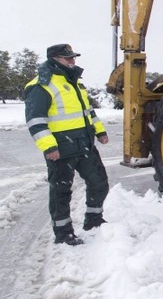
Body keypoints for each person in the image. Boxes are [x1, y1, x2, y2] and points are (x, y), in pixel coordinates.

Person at [24, 44, 110, 246]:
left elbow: (88, 112)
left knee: (99, 183)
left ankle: (94, 221)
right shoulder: (41, 85)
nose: (72, 61)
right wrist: (49, 147)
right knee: (61, 192)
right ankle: (63, 233)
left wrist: (100, 131)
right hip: (61, 149)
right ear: (54, 58)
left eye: (73, 57)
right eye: (67, 58)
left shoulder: (75, 82)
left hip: (85, 144)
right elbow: (35, 120)